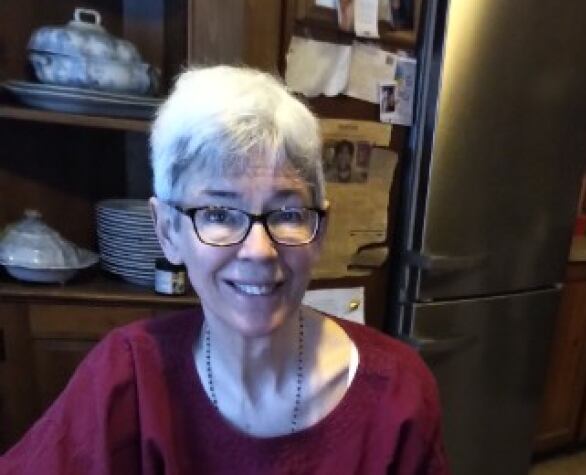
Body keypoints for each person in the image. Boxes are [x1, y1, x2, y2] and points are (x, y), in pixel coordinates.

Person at [0, 66, 448, 474]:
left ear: (320, 230)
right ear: (168, 230)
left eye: (287, 214)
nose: (259, 250)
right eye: (218, 213)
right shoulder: (128, 377)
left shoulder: (397, 392)